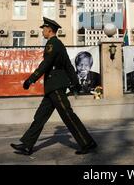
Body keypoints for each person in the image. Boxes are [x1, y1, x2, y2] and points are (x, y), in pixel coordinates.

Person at [10, 17, 97, 155]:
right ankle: (27, 145)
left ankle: (87, 143)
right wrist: (75, 82)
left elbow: (46, 64)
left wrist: (31, 79)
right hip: (53, 87)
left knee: (67, 115)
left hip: (56, 86)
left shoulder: (53, 44)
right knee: (40, 116)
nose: (42, 31)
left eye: (44, 29)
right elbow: (68, 65)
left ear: (50, 30)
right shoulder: (58, 44)